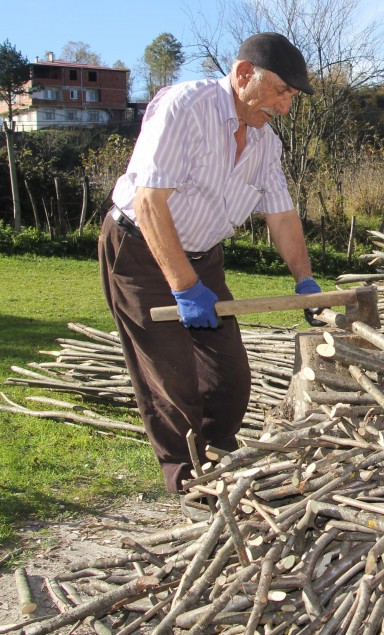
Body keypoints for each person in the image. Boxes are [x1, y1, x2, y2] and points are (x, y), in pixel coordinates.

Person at [98, 32, 323, 519]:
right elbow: (150, 202)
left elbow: (281, 216)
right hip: (142, 250)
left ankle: (217, 458)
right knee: (170, 377)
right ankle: (188, 481)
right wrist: (183, 287)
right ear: (244, 75)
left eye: (290, 97)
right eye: (282, 92)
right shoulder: (185, 107)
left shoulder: (266, 142)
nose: (286, 107)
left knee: (230, 378)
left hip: (205, 257)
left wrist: (304, 280)